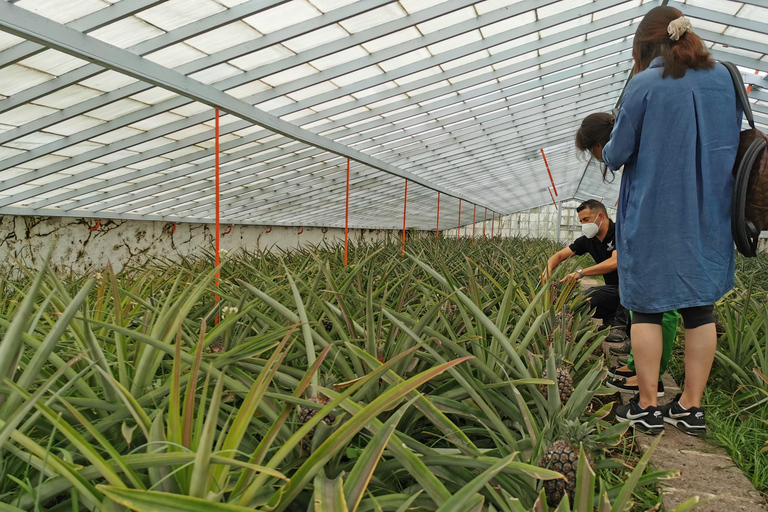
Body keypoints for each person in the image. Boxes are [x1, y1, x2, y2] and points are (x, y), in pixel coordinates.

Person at [594, 6, 741, 435]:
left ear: (645, 45)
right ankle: (690, 409)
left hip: (655, 215)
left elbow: (617, 154)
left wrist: (606, 148)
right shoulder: (726, 79)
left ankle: (647, 407)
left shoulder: (643, 86)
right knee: (700, 310)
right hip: (710, 215)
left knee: (646, 311)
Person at [545, 199, 629, 340]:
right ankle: (611, 320)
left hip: (633, 289)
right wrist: (547, 271)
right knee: (584, 301)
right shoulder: (589, 240)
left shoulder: (620, 233)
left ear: (601, 216)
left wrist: (581, 273)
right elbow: (559, 256)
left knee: (595, 293)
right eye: (581, 221)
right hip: (614, 290)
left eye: (586, 219)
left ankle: (621, 326)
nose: (584, 224)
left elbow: (614, 262)